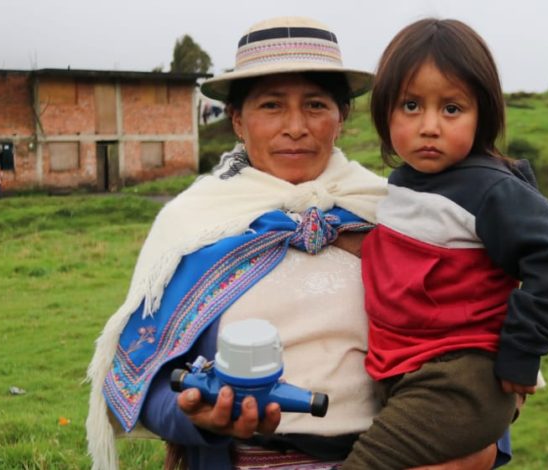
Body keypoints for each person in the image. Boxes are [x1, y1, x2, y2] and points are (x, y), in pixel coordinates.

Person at [86, 17, 512, 470]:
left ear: (341, 116)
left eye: (315, 105)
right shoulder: (195, 224)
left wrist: (486, 440)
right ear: (236, 120)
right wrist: (204, 418)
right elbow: (147, 383)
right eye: (271, 106)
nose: (295, 126)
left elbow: (465, 333)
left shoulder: (398, 213)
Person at [343, 18, 548, 469]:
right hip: (406, 371)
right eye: (411, 106)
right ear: (385, 112)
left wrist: (521, 351)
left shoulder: (490, 190)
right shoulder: (404, 184)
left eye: (451, 109)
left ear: (483, 115)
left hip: (459, 376)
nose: (429, 126)